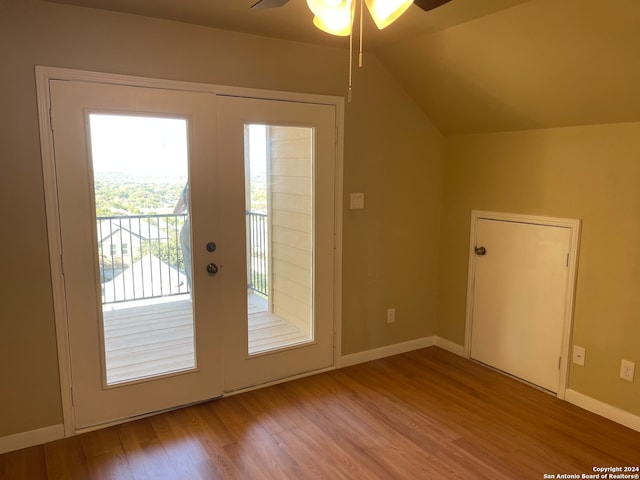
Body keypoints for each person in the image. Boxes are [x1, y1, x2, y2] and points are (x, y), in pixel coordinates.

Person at [174, 183, 192, 294]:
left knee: (189, 264)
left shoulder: (186, 191)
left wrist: (185, 207)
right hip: (202, 229)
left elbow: (175, 211)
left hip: (187, 229)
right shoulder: (204, 190)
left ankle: (193, 294)